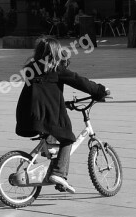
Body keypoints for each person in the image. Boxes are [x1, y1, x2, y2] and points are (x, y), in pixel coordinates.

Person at [15, 36, 109, 194]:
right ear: (55, 54)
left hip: (28, 115)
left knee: (54, 136)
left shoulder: (31, 69)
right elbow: (78, 81)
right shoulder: (56, 69)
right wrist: (100, 90)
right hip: (46, 114)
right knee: (67, 137)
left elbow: (44, 90)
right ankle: (58, 173)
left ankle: (57, 176)